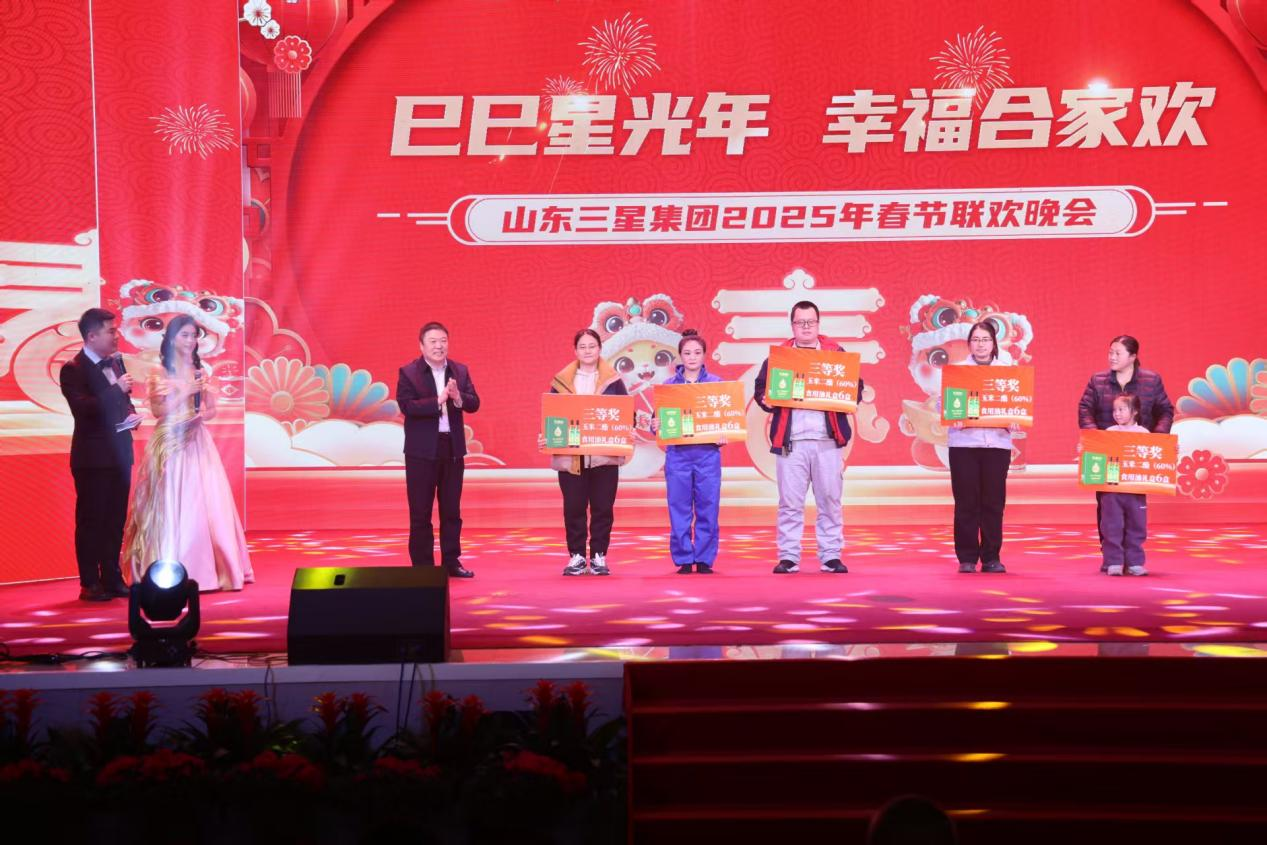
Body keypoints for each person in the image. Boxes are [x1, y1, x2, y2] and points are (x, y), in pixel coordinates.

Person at [123, 315, 253, 591]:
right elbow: (158, 411)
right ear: (171, 339)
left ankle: (209, 569)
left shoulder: (200, 370)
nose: (191, 340)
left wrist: (204, 411)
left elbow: (211, 409)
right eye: (185, 335)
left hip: (196, 439)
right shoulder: (159, 371)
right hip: (170, 442)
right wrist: (185, 393)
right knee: (171, 503)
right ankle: (167, 568)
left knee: (204, 503)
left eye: (194, 335)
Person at [754, 301, 859, 574]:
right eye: (800, 322)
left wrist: (849, 397)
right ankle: (788, 556)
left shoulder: (835, 354)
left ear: (818, 324)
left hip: (827, 440)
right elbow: (761, 388)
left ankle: (831, 555)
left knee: (830, 501)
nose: (806, 327)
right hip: (792, 442)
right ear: (792, 326)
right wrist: (766, 399)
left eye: (810, 322)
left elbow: (855, 386)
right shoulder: (780, 356)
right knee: (790, 503)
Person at [60, 308, 140, 601]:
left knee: (115, 519)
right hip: (92, 459)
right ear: (92, 336)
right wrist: (116, 390)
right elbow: (83, 410)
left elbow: (122, 402)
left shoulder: (115, 363)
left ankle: (112, 576)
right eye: (111, 331)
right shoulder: (73, 369)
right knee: (91, 520)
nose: (116, 336)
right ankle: (90, 582)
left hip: (120, 454)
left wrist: (131, 414)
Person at [1078, 334, 1173, 572]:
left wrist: (1157, 440)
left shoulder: (1151, 380)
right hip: (1107, 454)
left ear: (1132, 357)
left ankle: (1133, 560)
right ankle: (1112, 558)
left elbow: (1165, 410)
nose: (1112, 357)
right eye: (1110, 352)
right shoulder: (1098, 380)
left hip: (1136, 456)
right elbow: (1085, 409)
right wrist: (1095, 439)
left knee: (1134, 511)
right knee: (1107, 508)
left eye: (1117, 353)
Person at [540, 329, 628, 576]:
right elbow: (552, 417)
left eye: (592, 346)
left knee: (603, 507)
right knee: (574, 508)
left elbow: (626, 414)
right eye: (582, 346)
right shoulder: (561, 382)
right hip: (571, 457)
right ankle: (577, 556)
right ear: (575, 351)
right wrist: (547, 437)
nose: (588, 351)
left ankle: (599, 555)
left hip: (604, 456)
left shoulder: (614, 381)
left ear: (600, 349)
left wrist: (625, 428)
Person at [397, 321, 480, 578]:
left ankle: (451, 562)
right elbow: (407, 406)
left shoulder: (459, 371)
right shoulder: (409, 372)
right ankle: (423, 567)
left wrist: (457, 397)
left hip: (451, 449)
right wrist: (439, 400)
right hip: (421, 452)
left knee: (451, 510)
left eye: (443, 341)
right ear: (421, 346)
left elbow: (474, 403)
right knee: (420, 512)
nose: (439, 346)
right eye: (433, 341)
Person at [946, 321, 1018, 574]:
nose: (980, 345)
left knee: (993, 502)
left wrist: (1015, 418)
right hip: (964, 444)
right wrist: (951, 413)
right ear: (969, 344)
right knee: (966, 502)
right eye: (975, 340)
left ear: (994, 343)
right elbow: (943, 404)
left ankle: (991, 557)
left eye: (985, 339)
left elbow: (1018, 405)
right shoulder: (957, 371)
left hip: (997, 444)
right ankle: (966, 557)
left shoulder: (1007, 373)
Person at [658, 329, 724, 575]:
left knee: (708, 506)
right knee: (679, 507)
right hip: (678, 455)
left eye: (697, 353)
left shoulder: (716, 384)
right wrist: (656, 425)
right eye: (687, 353)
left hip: (708, 454)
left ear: (704, 355)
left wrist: (725, 432)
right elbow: (659, 421)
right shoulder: (669, 386)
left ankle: (705, 558)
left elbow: (728, 418)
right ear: (680, 356)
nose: (692, 357)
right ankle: (684, 557)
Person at [1100, 393, 1150, 576]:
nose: (1117, 413)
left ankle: (1134, 562)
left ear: (1134, 411)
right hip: (1112, 488)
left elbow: (1156, 456)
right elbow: (1097, 453)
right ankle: (1114, 562)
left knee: (1137, 526)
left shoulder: (1144, 434)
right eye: (1115, 410)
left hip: (1136, 488)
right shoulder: (1109, 432)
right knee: (1111, 525)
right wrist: (1085, 449)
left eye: (1121, 409)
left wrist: (1171, 450)